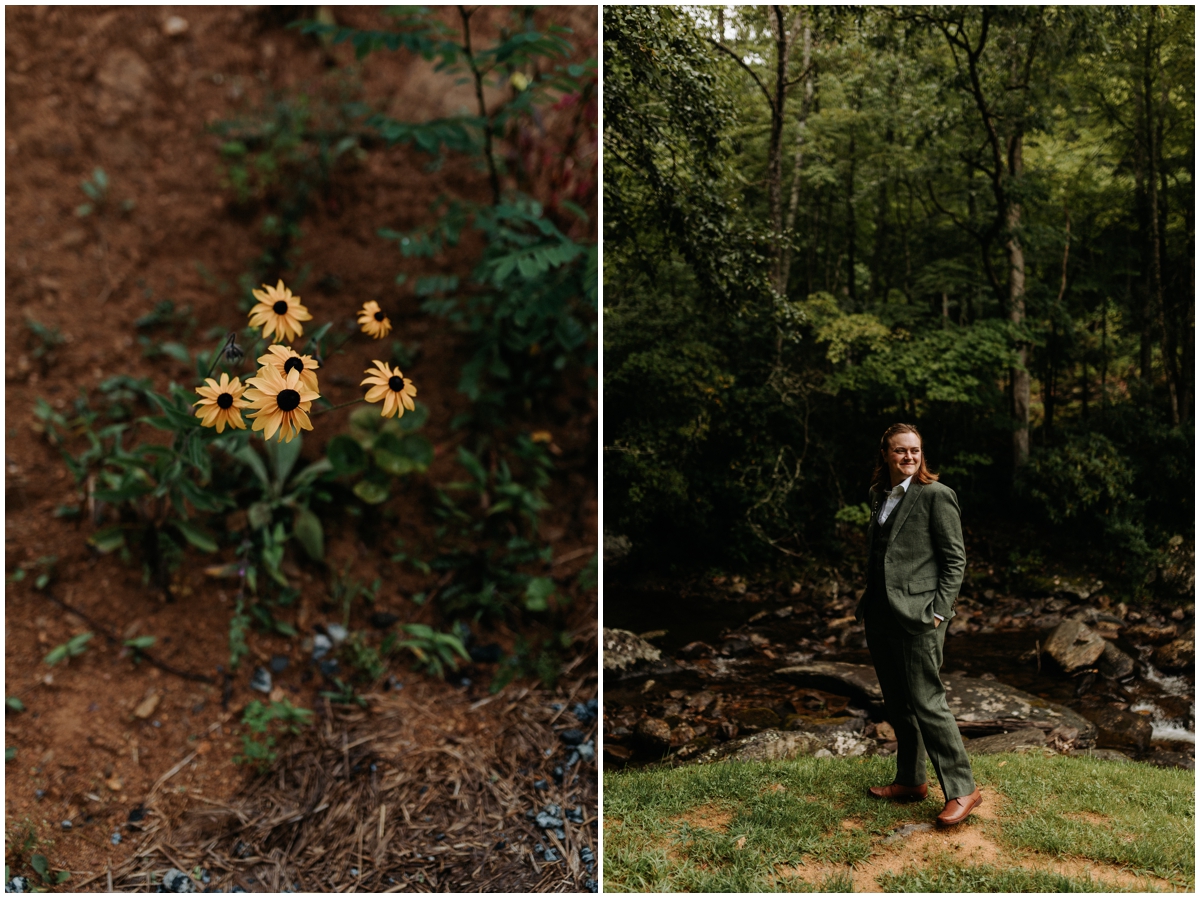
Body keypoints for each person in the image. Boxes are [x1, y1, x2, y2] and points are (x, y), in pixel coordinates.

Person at [853, 423, 982, 827]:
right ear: (885, 455)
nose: (909, 457)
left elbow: (955, 560)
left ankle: (963, 790)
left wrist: (939, 612)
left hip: (922, 616)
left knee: (928, 701)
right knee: (898, 703)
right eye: (900, 451)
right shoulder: (879, 495)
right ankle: (911, 780)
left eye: (915, 450)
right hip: (880, 613)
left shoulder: (936, 496)